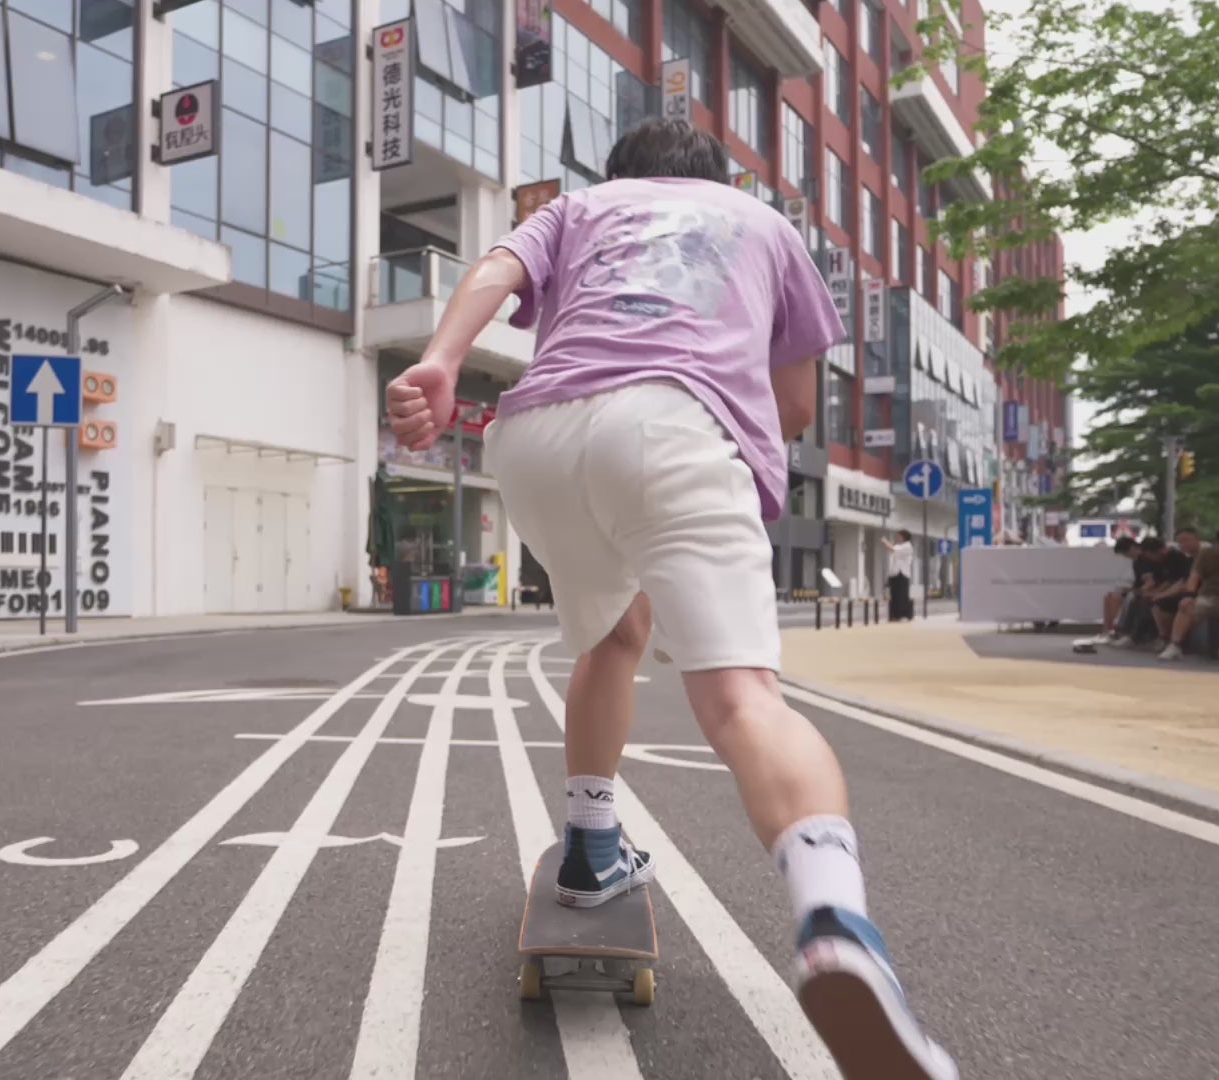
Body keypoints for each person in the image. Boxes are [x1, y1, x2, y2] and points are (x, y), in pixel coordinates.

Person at [385, 119, 954, 1080]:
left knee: (614, 637)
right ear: (714, 179)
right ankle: (836, 924)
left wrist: (441, 361)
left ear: (621, 175)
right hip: (671, 427)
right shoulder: (764, 225)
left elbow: (495, 268)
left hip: (534, 441)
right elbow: (797, 406)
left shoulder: (579, 207)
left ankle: (591, 844)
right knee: (740, 701)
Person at [1159, 526, 1219, 661]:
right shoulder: (1206, 554)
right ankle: (1175, 645)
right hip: (1208, 596)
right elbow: (1194, 577)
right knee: (1186, 605)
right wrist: (1190, 596)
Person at [883, 530, 915, 621]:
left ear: (904, 537)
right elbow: (891, 549)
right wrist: (886, 544)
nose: (898, 538)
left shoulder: (908, 546)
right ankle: (895, 615)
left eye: (899, 536)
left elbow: (893, 549)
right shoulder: (898, 546)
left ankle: (903, 615)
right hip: (895, 573)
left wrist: (885, 541)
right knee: (894, 595)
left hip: (903, 574)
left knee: (902, 595)